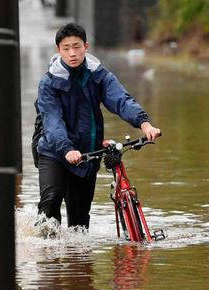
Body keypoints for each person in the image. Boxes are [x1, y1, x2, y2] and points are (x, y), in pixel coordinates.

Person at [35, 23, 160, 232]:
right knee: (50, 201)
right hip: (54, 152)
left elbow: (120, 100)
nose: (72, 53)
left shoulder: (99, 75)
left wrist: (144, 123)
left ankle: (78, 263)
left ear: (86, 46)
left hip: (87, 155)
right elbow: (52, 121)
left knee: (79, 224)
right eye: (66, 48)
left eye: (77, 47)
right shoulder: (48, 83)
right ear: (59, 50)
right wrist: (66, 149)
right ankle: (48, 260)